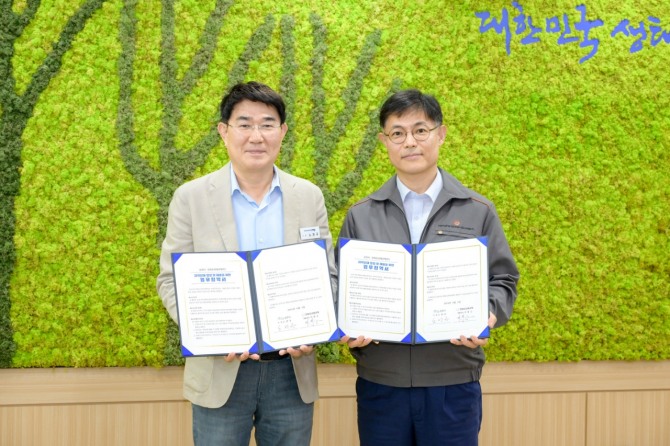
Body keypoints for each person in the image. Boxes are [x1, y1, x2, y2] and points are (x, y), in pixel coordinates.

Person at [157, 81, 336, 446]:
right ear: (224, 132)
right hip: (219, 370)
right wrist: (209, 333)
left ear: (282, 132)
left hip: (290, 372)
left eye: (267, 124)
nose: (257, 136)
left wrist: (313, 331)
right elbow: (170, 281)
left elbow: (328, 276)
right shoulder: (190, 198)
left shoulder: (308, 197)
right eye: (244, 124)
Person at [338, 89, 519, 446]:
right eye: (398, 133)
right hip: (381, 383)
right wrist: (346, 323)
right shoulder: (361, 215)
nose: (410, 142)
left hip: (452, 383)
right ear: (384, 141)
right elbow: (342, 287)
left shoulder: (477, 210)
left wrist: (488, 312)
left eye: (420, 130)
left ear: (441, 134)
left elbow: (503, 278)